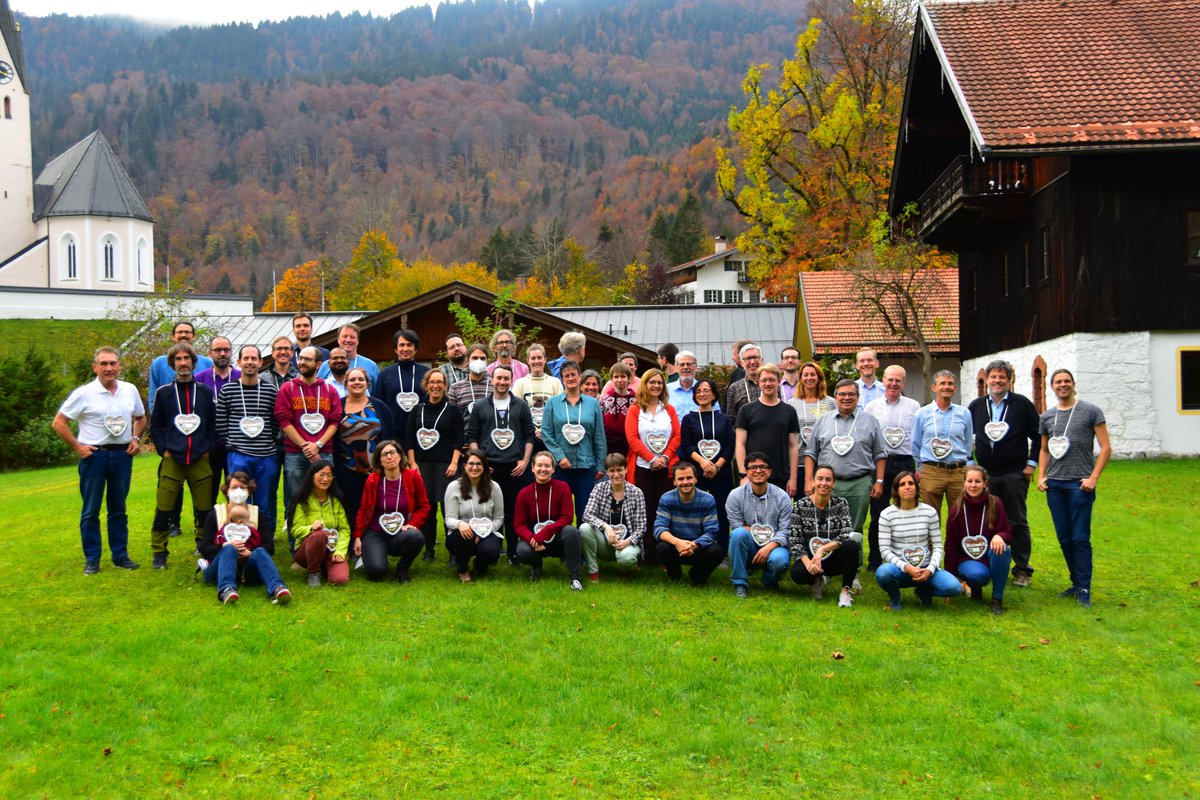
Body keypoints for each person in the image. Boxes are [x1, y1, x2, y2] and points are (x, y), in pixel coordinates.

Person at [52, 346, 145, 574]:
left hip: (123, 456)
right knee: (90, 510)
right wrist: (78, 447)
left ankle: (120, 556)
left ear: (119, 366)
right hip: (95, 457)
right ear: (95, 367)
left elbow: (141, 417)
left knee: (118, 509)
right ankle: (92, 558)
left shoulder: (129, 390)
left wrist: (135, 437)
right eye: (104, 364)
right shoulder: (84, 393)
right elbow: (59, 422)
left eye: (113, 363)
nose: (109, 368)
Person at [1037, 368, 1111, 608]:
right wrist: (1041, 476)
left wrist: (1094, 477)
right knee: (1065, 538)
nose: (1063, 385)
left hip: (1080, 484)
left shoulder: (1090, 411)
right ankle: (1075, 582)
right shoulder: (1047, 416)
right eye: (1058, 382)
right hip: (1055, 485)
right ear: (1052, 387)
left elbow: (1106, 447)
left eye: (1066, 381)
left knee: (1080, 538)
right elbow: (1044, 449)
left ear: (1073, 384)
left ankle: (1084, 588)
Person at [968, 359, 1039, 589]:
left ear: (1010, 380)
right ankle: (989, 564)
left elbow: (1038, 435)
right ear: (987, 380)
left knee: (1017, 521)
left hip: (1013, 474)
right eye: (994, 377)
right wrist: (970, 463)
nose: (998, 381)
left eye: (1002, 377)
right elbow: (966, 435)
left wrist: (1031, 464)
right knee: (986, 522)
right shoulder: (977, 406)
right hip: (985, 475)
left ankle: (1022, 570)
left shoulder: (1022, 405)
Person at [149, 342, 216, 570]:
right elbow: (155, 426)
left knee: (205, 508)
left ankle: (204, 548)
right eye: (178, 359)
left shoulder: (206, 392)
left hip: (200, 458)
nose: (183, 363)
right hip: (172, 460)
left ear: (194, 362)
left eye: (187, 358)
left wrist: (207, 449)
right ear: (172, 364)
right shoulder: (164, 393)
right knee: (164, 507)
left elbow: (213, 425)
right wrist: (163, 449)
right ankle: (159, 552)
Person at [465, 364, 535, 563]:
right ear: (492, 379)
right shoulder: (480, 406)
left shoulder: (520, 405)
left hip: (515, 467)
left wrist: (525, 460)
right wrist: (481, 462)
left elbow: (529, 434)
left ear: (511, 380)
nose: (502, 382)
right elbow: (472, 436)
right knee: (490, 509)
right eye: (499, 378)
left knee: (513, 511)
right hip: (490, 468)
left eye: (506, 379)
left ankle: (513, 551)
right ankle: (493, 549)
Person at [275, 346, 343, 550]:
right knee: (295, 499)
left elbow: (335, 420)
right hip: (295, 453)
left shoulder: (329, 390)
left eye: (307, 359)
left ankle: (329, 545)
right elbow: (284, 420)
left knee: (325, 498)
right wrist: (306, 446)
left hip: (324, 452)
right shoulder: (288, 388)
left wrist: (318, 445)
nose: (301, 362)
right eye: (300, 359)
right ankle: (297, 548)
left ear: (319, 364)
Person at [216, 344, 280, 551]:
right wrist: (235, 442)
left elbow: (276, 423)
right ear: (239, 362)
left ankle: (264, 544)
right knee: (237, 499)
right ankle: (237, 540)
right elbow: (221, 423)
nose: (250, 362)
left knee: (265, 501)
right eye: (246, 358)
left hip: (266, 455)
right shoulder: (228, 389)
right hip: (239, 455)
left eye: (255, 358)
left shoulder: (271, 390)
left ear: (261, 363)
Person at [804, 379, 886, 537]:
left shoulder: (870, 420)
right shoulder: (823, 420)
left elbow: (880, 454)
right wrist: (809, 481)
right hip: (827, 484)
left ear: (858, 396)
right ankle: (827, 561)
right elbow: (811, 453)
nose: (846, 397)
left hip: (859, 483)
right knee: (825, 526)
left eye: (851, 394)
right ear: (835, 397)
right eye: (842, 394)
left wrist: (879, 481)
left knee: (854, 529)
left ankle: (853, 561)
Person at [874, 471, 963, 610]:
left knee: (955, 588)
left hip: (926, 568)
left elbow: (938, 546)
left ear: (916, 488)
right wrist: (907, 568)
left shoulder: (929, 512)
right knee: (883, 573)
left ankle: (923, 592)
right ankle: (895, 598)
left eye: (911, 483)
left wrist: (930, 569)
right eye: (902, 484)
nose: (907, 487)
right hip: (900, 570)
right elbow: (885, 551)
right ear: (896, 490)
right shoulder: (887, 514)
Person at [198, 476, 290, 605]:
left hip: (248, 569)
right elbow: (204, 548)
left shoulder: (258, 515)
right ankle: (227, 590)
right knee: (229, 548)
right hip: (218, 569)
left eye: (243, 487)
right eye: (234, 487)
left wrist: (249, 553)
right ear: (227, 491)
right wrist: (224, 545)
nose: (238, 491)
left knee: (260, 551)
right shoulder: (215, 514)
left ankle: (277, 588)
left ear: (249, 490)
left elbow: (269, 547)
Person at [864, 365, 920, 572]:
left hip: (905, 463)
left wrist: (919, 466)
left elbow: (918, 438)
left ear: (903, 383)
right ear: (883, 381)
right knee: (878, 514)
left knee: (906, 512)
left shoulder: (914, 406)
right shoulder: (872, 406)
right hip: (879, 464)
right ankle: (875, 560)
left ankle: (906, 557)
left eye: (898, 380)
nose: (894, 384)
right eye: (890, 380)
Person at [351, 440, 430, 583]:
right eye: (384, 454)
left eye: (392, 452)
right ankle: (373, 553)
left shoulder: (413, 477)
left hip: (400, 532)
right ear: (379, 460)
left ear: (400, 456)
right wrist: (357, 536)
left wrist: (414, 524)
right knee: (377, 572)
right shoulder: (372, 480)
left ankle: (402, 568)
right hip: (376, 533)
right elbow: (363, 510)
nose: (389, 457)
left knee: (416, 536)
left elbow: (424, 506)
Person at [407, 368, 464, 561]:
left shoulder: (452, 410)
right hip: (422, 466)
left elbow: (459, 438)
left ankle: (454, 552)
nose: (436, 385)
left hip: (446, 465)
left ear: (445, 386)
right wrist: (413, 463)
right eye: (432, 382)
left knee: (449, 509)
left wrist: (455, 463)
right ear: (426, 385)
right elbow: (409, 439)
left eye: (440, 382)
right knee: (427, 509)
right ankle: (428, 549)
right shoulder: (417, 409)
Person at [624, 368, 681, 564]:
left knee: (664, 511)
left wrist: (664, 458)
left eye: (659, 382)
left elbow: (676, 436)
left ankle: (664, 553)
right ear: (645, 385)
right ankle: (647, 554)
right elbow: (632, 438)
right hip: (642, 468)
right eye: (652, 382)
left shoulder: (669, 410)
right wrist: (651, 459)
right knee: (645, 511)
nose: (656, 386)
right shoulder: (635, 410)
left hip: (666, 469)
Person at [541, 360, 606, 524]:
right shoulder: (552, 403)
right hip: (562, 467)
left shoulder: (593, 404)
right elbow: (546, 432)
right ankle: (562, 546)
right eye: (566, 376)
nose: (570, 378)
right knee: (560, 512)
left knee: (585, 513)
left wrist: (600, 464)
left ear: (579, 376)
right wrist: (559, 456)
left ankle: (583, 548)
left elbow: (599, 435)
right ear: (562, 379)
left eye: (573, 374)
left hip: (586, 466)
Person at [944, 466, 1012, 615]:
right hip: (967, 559)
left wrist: (1000, 535)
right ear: (964, 483)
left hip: (989, 554)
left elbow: (1008, 532)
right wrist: (950, 579)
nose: (973, 485)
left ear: (985, 484)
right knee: (978, 576)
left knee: (1003, 549)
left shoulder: (995, 504)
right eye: (970, 481)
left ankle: (996, 600)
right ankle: (975, 587)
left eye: (977, 481)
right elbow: (950, 546)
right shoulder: (956, 510)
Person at [789, 465, 860, 607]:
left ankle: (845, 592)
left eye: (828, 480)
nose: (824, 483)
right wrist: (809, 564)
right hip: (811, 558)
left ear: (833, 483)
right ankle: (816, 580)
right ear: (813, 481)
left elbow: (845, 534)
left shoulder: (841, 503)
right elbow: (795, 541)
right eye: (820, 479)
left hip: (833, 557)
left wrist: (822, 550)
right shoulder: (800, 506)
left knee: (851, 545)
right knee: (797, 574)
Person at [334, 366, 395, 531]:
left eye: (360, 379)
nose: (357, 382)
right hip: (347, 469)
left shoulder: (379, 406)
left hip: (376, 469)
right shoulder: (337, 406)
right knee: (351, 507)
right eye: (352, 379)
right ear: (346, 384)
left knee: (375, 506)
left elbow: (389, 437)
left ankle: (373, 541)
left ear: (367, 383)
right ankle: (355, 542)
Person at [513, 451, 584, 590]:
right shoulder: (524, 493)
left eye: (547, 466)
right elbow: (518, 525)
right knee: (521, 550)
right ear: (532, 468)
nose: (543, 469)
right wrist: (532, 538)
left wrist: (545, 533)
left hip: (557, 539)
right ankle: (536, 566)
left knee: (572, 532)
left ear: (553, 469)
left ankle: (575, 578)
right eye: (539, 465)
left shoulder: (563, 487)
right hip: (535, 541)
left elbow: (567, 517)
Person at [725, 452, 792, 598]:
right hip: (749, 544)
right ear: (746, 472)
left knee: (779, 560)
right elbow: (737, 526)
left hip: (774, 545)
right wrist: (751, 530)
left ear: (770, 471)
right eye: (753, 467)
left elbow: (785, 530)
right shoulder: (735, 496)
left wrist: (768, 547)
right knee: (738, 534)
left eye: (763, 466)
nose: (758, 470)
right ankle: (740, 583)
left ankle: (769, 580)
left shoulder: (782, 497)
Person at [678, 378, 734, 549]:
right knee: (697, 510)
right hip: (697, 472)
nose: (702, 394)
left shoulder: (723, 419)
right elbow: (686, 445)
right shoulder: (689, 419)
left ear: (714, 395)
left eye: (706, 390)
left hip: (721, 473)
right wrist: (703, 462)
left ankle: (722, 548)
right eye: (698, 391)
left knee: (721, 511)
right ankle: (696, 545)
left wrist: (716, 466)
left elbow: (730, 445)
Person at [912, 370, 974, 519]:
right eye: (943, 383)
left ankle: (957, 543)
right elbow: (915, 443)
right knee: (929, 517)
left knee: (961, 516)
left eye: (950, 384)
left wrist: (967, 466)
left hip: (958, 471)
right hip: (932, 470)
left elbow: (968, 443)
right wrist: (920, 467)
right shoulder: (922, 414)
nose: (947, 387)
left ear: (955, 388)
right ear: (934, 387)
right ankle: (932, 544)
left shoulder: (964, 413)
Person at [653, 461, 724, 586]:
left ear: (696, 479)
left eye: (689, 477)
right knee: (661, 548)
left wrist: (694, 544)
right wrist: (678, 542)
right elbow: (659, 528)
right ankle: (675, 574)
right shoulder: (666, 498)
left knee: (717, 551)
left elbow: (712, 531)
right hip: (675, 547)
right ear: (674, 482)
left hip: (698, 547)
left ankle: (697, 575)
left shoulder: (707, 499)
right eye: (680, 479)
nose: (685, 482)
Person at [734, 362, 799, 496]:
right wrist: (743, 475)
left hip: (780, 476)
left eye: (772, 380)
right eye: (764, 380)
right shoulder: (746, 410)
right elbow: (740, 444)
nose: (768, 383)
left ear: (779, 381)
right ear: (758, 382)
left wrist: (793, 478)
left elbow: (793, 446)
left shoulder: (789, 411)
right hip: (753, 475)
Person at [579, 453, 646, 580]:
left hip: (627, 543)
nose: (616, 474)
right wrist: (606, 527)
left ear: (626, 469)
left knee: (627, 558)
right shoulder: (599, 488)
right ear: (606, 472)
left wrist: (627, 542)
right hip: (604, 542)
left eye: (620, 470)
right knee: (584, 528)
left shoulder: (637, 493)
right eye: (612, 471)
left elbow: (641, 528)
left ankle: (625, 568)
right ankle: (593, 572)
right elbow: (587, 515)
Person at [443, 448, 505, 582]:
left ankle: (479, 564)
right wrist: (460, 524)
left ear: (484, 466)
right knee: (463, 537)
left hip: (486, 532)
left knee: (492, 551)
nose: (474, 467)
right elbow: (449, 519)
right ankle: (463, 570)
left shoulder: (494, 487)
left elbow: (499, 518)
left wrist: (485, 531)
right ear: (464, 466)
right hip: (460, 533)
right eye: (471, 464)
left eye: (478, 464)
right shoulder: (454, 487)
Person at [288, 459, 351, 587]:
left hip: (332, 549)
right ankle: (314, 573)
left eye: (329, 475)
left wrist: (340, 551)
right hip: (306, 551)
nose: (325, 479)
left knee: (340, 579)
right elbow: (295, 530)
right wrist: (310, 528)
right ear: (312, 476)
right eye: (321, 474)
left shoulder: (337, 500)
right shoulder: (301, 500)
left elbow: (345, 530)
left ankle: (326, 566)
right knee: (320, 535)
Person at [196, 335, 241, 505]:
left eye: (226, 350)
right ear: (210, 353)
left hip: (235, 444)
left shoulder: (241, 377)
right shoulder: (199, 379)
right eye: (217, 350)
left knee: (236, 487)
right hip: (209, 444)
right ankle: (206, 524)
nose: (222, 353)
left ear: (231, 352)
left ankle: (236, 522)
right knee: (208, 488)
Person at [147, 321, 212, 413]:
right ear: (173, 336)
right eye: (180, 332)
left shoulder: (207, 363)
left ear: (194, 336)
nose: (183, 335)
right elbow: (153, 395)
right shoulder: (159, 363)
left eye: (187, 332)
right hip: (169, 419)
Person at [375, 328, 429, 439]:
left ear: (416, 349)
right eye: (402, 345)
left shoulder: (426, 373)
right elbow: (378, 406)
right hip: (392, 434)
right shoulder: (385, 374)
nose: (405, 349)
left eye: (409, 345)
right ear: (396, 349)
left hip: (421, 433)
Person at [512, 342, 563, 438]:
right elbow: (515, 412)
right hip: (526, 435)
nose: (536, 361)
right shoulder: (520, 384)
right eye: (533, 358)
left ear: (545, 360)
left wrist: (544, 432)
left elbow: (559, 412)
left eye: (539, 358)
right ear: (528, 361)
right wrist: (531, 432)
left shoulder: (555, 383)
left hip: (550, 435)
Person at [786, 361, 835, 451]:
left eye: (813, 374)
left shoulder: (831, 403)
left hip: (824, 456)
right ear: (800, 378)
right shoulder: (791, 404)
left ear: (819, 378)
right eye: (805, 375)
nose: (809, 378)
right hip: (800, 457)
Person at [599, 361, 637, 461]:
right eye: (616, 377)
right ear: (611, 379)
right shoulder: (605, 399)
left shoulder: (636, 401)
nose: (619, 380)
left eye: (623, 376)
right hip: (608, 445)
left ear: (629, 378)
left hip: (629, 445)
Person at [448, 343, 492, 418]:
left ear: (487, 361)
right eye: (474, 358)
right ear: (467, 361)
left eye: (482, 358)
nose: (479, 361)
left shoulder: (496, 386)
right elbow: (451, 418)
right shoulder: (456, 388)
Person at [724, 343, 762, 421]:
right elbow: (730, 420)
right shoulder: (734, 388)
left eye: (755, 357)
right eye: (748, 358)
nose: (752, 362)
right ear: (741, 362)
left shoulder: (772, 385)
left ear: (761, 360)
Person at [667, 350, 712, 415]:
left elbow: (715, 415)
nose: (685, 367)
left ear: (696, 366)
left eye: (689, 364)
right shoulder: (666, 390)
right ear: (676, 367)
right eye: (682, 364)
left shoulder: (707, 390)